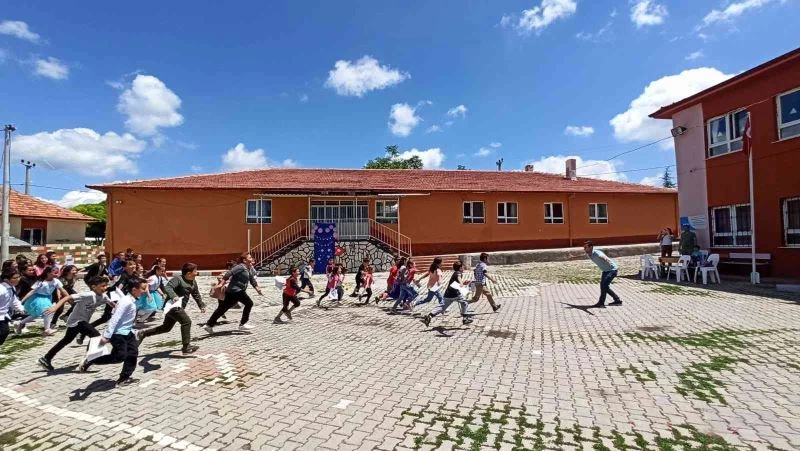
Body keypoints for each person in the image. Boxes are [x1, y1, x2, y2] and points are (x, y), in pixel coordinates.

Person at [78, 276, 145, 387]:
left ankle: (124, 378)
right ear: (134, 290)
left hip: (128, 332)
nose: (144, 291)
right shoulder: (126, 301)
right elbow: (115, 318)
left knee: (133, 353)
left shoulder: (131, 300)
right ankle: (91, 360)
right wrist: (107, 335)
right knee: (119, 357)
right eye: (142, 289)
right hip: (118, 334)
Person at [37, 276, 110, 371]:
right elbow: (67, 297)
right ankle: (88, 360)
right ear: (93, 287)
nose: (105, 288)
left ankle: (46, 358)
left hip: (79, 321)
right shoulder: (88, 294)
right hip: (77, 321)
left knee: (66, 340)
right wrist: (55, 308)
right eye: (103, 286)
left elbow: (113, 304)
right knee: (96, 336)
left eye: (106, 285)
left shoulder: (104, 297)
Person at [137, 263, 201, 355]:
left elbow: (196, 294)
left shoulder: (193, 281)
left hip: (179, 307)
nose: (196, 273)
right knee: (186, 322)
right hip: (172, 306)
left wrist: (201, 305)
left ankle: (143, 333)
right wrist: (173, 296)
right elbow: (168, 287)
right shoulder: (177, 279)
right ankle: (186, 347)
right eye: (195, 271)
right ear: (188, 273)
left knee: (166, 328)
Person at [204, 253, 261, 334]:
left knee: (223, 308)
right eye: (250, 257)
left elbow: (252, 279)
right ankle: (243, 324)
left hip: (233, 291)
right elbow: (228, 273)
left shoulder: (249, 268)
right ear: (244, 260)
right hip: (236, 290)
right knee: (249, 303)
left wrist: (257, 288)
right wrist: (221, 284)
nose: (252, 258)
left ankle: (209, 325)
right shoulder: (240, 267)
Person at [17, 266, 69, 336]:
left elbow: (62, 290)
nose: (57, 274)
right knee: (48, 312)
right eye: (55, 273)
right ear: (48, 273)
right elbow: (31, 292)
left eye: (58, 273)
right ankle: (47, 329)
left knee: (35, 315)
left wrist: (69, 297)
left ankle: (20, 323)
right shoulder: (41, 281)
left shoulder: (56, 281)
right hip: (38, 299)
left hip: (47, 298)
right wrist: (22, 301)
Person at [421, 261, 473, 326]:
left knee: (442, 307)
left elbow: (456, 282)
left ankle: (429, 316)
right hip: (455, 294)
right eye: (463, 267)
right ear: (460, 268)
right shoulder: (458, 273)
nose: (464, 268)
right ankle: (465, 319)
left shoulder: (455, 273)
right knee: (464, 302)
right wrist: (461, 283)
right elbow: (458, 277)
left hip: (448, 294)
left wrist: (463, 283)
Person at [584, 241, 622, 308]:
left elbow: (602, 256)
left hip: (612, 270)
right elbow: (582, 255)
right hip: (605, 271)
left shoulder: (597, 253)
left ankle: (602, 303)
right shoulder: (589, 253)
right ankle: (616, 300)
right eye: (584, 247)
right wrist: (573, 257)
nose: (584, 249)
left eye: (585, 247)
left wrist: (607, 260)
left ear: (591, 247)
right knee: (604, 286)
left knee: (604, 286)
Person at [0, 270, 22, 347]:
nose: (18, 279)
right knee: (4, 331)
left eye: (18, 277)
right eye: (15, 278)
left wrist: (20, 309)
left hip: (3, 315)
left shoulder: (12, 288)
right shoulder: (1, 289)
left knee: (4, 332)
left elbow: (13, 300)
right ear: (6, 279)